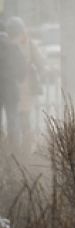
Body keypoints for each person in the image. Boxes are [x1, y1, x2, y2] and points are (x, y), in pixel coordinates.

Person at [4, 18, 45, 152]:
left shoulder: (10, 42)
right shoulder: (25, 43)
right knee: (19, 119)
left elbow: (39, 61)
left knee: (21, 119)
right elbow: (40, 61)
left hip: (18, 87)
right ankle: (20, 149)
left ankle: (20, 148)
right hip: (18, 87)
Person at [0, 24, 27, 151]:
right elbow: (22, 69)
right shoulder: (14, 48)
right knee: (13, 120)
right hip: (11, 89)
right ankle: (14, 150)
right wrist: (18, 78)